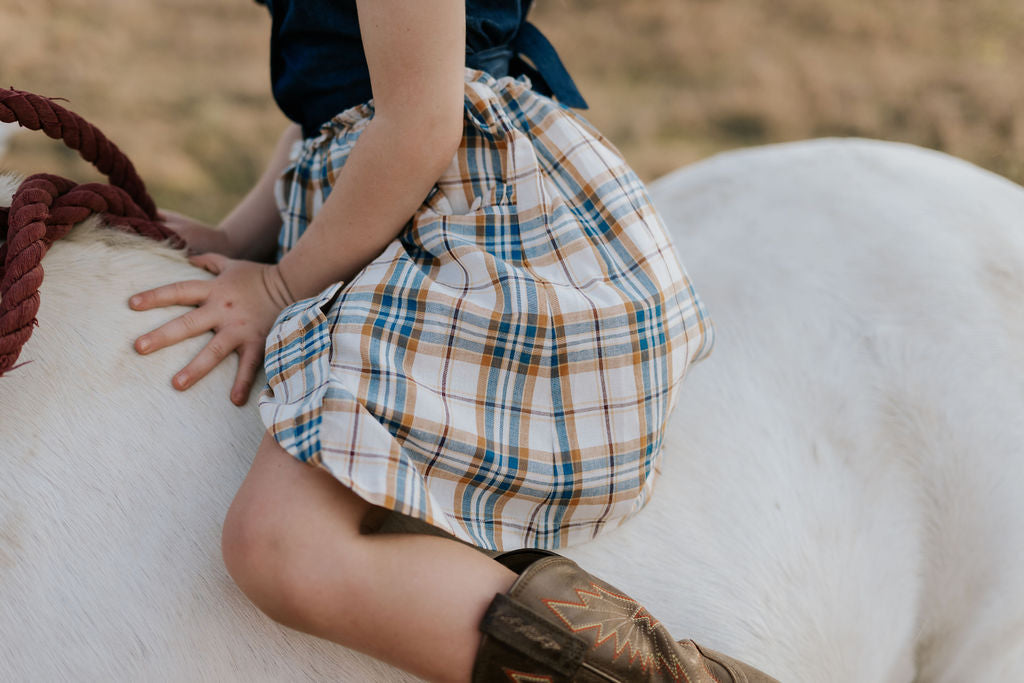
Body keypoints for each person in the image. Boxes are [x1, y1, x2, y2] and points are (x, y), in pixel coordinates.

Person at [129, 1, 778, 681]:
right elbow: (334, 102)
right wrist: (240, 235)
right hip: (393, 201)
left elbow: (418, 124)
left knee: (280, 544)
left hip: (472, 230)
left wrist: (279, 286)